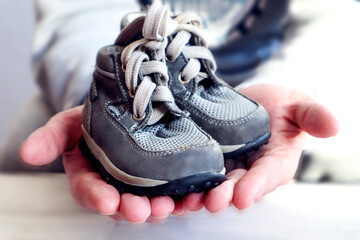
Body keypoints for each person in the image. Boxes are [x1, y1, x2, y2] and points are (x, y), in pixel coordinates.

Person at [18, 0, 338, 223]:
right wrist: (115, 77)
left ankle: (166, 79)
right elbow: (82, 11)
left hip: (249, 69)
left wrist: (288, 79)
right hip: (94, 71)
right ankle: (117, 98)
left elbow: (331, 13)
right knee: (21, 139)